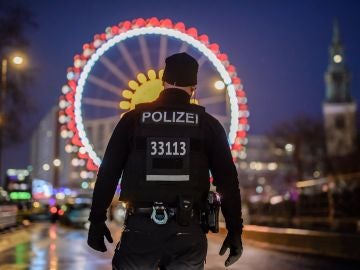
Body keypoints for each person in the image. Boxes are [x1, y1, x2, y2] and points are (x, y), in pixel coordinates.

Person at [87, 52, 243, 269]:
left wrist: (96, 219)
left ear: (163, 82)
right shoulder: (208, 125)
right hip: (188, 228)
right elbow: (227, 181)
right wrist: (235, 230)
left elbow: (108, 173)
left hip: (140, 228)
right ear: (194, 88)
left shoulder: (133, 120)